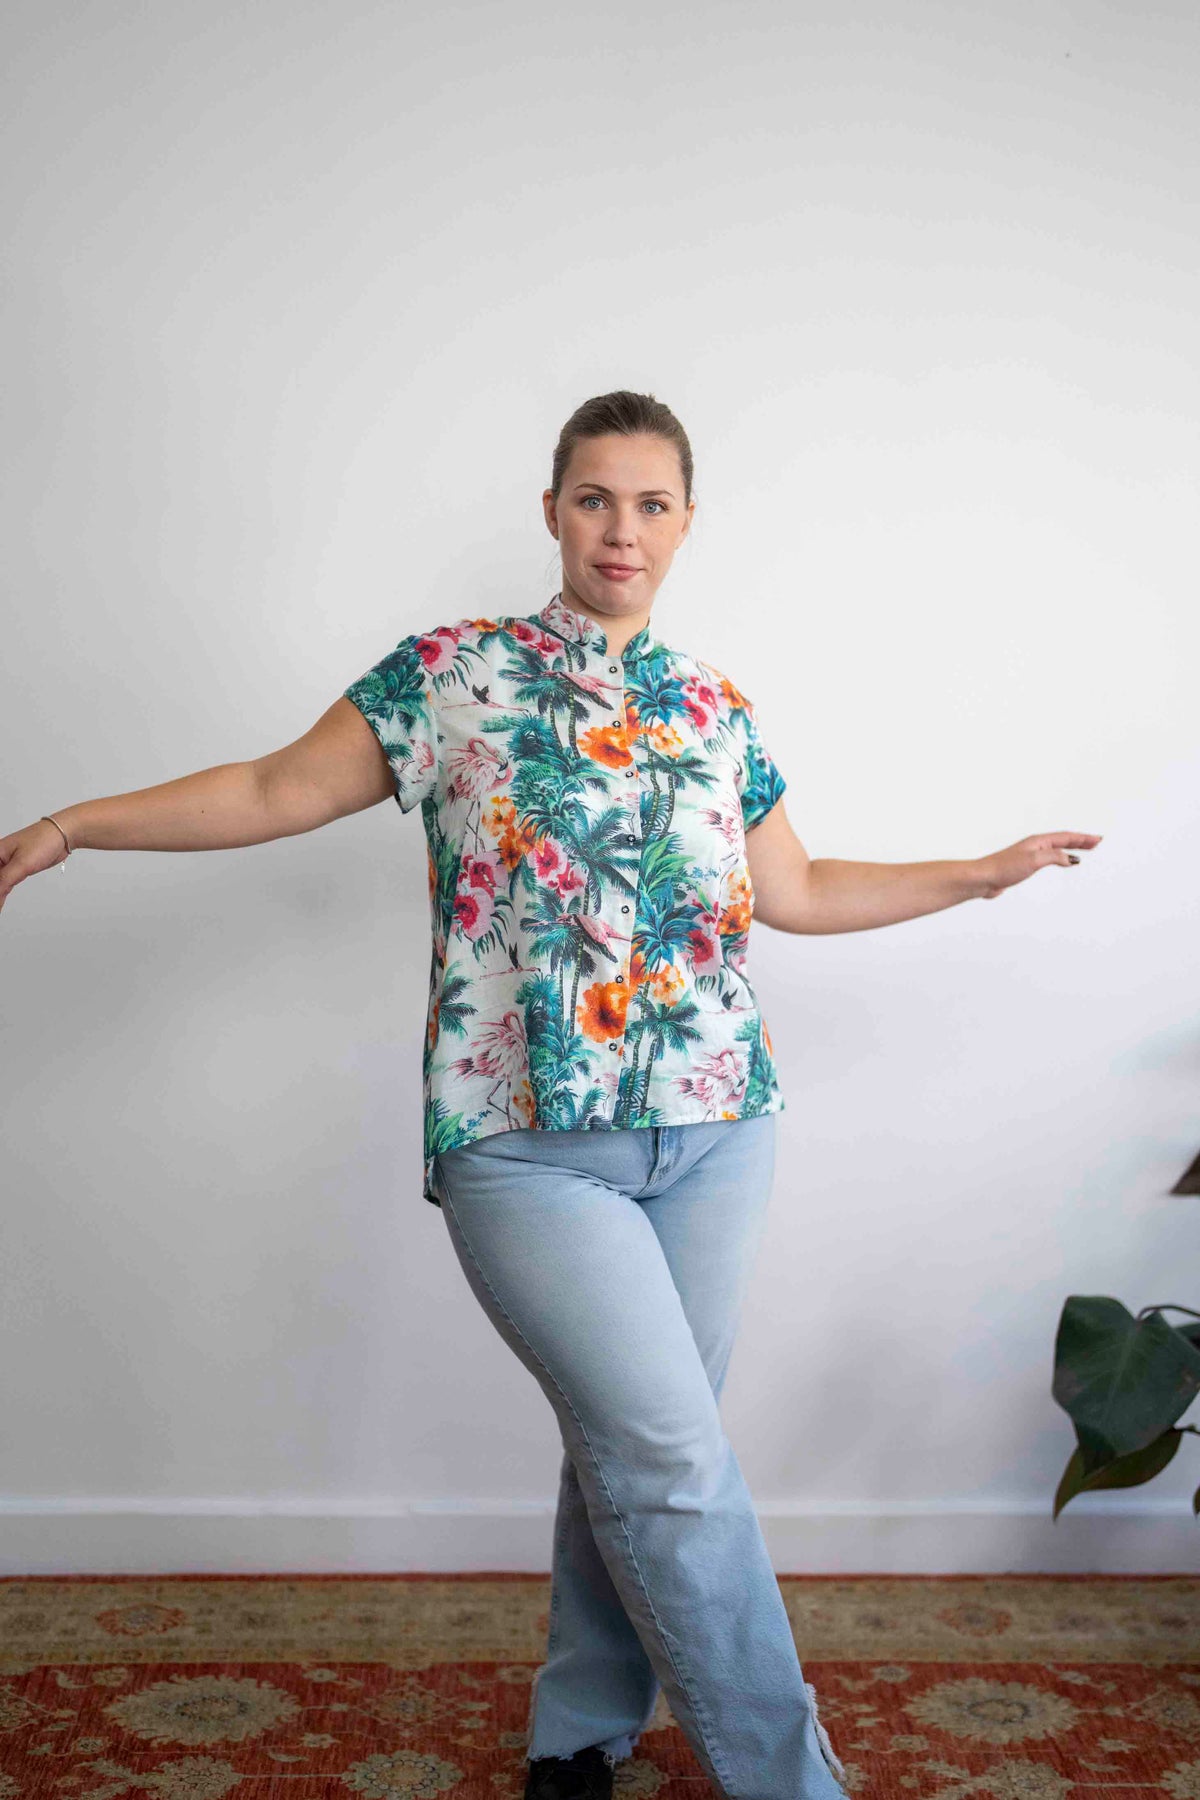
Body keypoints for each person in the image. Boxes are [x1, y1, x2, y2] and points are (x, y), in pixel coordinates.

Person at [0, 389, 1102, 1800]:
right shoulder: (452, 674)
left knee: (635, 1451)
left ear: (686, 525)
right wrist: (73, 826)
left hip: (717, 1130)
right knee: (669, 1457)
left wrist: (979, 874)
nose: (620, 530)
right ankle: (795, 1782)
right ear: (553, 511)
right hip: (523, 1145)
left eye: (651, 504)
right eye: (595, 499)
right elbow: (275, 787)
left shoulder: (715, 707)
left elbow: (798, 890)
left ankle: (577, 1734)